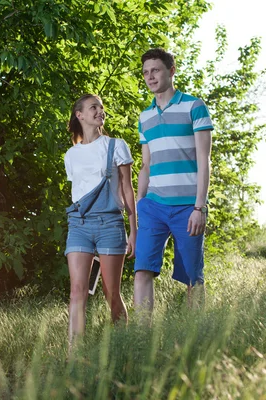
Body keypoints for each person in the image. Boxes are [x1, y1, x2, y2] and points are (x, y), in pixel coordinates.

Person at [133, 48, 213, 316]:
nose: (150, 76)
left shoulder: (194, 106)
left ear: (171, 70)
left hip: (187, 207)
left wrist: (199, 207)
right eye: (145, 72)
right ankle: (141, 341)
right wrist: (139, 203)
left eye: (155, 70)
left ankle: (195, 337)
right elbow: (146, 165)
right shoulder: (145, 117)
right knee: (142, 270)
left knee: (192, 277)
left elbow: (204, 160)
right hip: (152, 206)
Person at [64, 94, 137, 348]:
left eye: (102, 108)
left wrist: (133, 230)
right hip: (79, 226)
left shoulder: (116, 146)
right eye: (93, 107)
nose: (100, 111)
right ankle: (75, 356)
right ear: (80, 115)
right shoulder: (70, 155)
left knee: (111, 293)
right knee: (77, 291)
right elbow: (80, 193)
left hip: (110, 225)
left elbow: (128, 190)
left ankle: (121, 346)